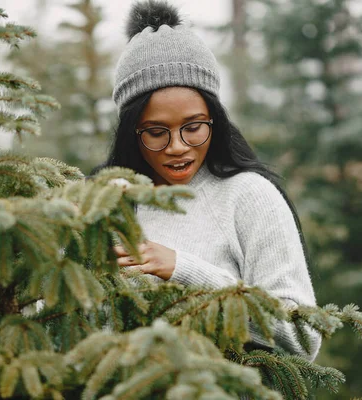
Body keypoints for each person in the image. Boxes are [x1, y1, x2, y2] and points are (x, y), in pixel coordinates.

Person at [102, 0, 321, 361]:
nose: (177, 147)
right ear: (130, 132)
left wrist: (182, 269)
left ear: (214, 121)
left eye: (193, 128)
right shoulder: (107, 205)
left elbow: (301, 336)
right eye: (156, 132)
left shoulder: (250, 196)